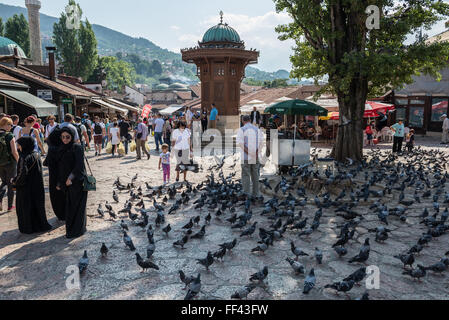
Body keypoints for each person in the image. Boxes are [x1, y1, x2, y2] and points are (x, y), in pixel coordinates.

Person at [12, 137, 52, 234]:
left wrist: (14, 181)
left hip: (26, 189)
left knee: (26, 208)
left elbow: (22, 174)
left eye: (19, 144)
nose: (18, 146)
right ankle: (40, 226)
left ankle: (28, 228)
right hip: (37, 187)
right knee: (37, 206)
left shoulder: (23, 157)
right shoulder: (36, 155)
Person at [55, 127, 88, 239]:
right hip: (66, 183)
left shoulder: (77, 147)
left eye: (67, 137)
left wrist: (70, 178)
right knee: (70, 207)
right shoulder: (62, 148)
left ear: (72, 137)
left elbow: (79, 165)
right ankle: (72, 229)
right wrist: (60, 182)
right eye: (63, 137)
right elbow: (60, 167)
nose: (65, 139)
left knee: (77, 207)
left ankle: (77, 230)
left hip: (76, 182)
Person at [237, 115, 265, 200]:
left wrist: (249, 153)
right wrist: (256, 153)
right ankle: (256, 193)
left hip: (246, 157)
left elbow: (241, 144)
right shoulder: (257, 129)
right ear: (250, 120)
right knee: (255, 174)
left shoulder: (241, 129)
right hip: (255, 156)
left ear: (243, 121)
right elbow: (261, 142)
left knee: (246, 174)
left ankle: (247, 194)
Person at [0, 117, 19, 211]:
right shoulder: (10, 135)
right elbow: (14, 151)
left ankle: (0, 200)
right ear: (5, 125)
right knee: (11, 183)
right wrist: (19, 161)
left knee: (3, 182)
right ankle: (10, 206)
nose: (11, 127)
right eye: (10, 125)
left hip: (0, 163)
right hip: (10, 163)